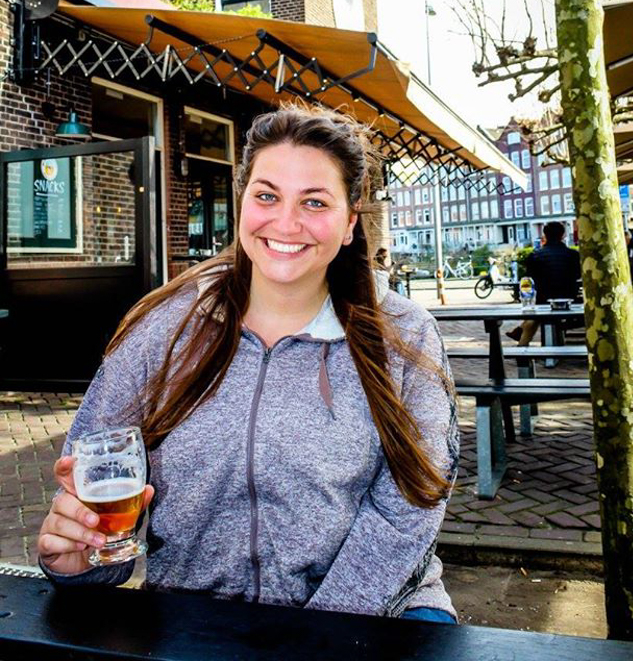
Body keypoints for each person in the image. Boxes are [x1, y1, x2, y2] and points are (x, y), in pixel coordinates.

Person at [38, 104, 459, 623]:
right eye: (266, 195)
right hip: (196, 620)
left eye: (315, 202)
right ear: (242, 204)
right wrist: (80, 560)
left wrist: (319, 634)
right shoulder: (164, 327)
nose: (286, 222)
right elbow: (93, 471)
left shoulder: (404, 335)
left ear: (349, 223)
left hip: (378, 616)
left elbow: (408, 511)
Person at [507, 222, 580, 345]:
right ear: (563, 235)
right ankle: (520, 339)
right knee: (536, 316)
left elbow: (529, 279)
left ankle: (522, 345)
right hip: (568, 300)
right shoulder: (573, 255)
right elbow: (578, 275)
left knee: (535, 317)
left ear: (544, 235)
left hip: (542, 300)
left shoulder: (535, 256)